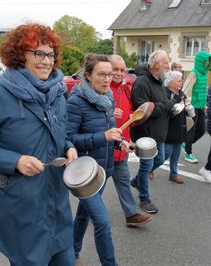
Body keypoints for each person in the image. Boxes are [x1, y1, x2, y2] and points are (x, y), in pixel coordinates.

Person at [0, 24, 77, 265]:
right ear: (20, 56)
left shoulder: (57, 96)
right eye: (38, 53)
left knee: (65, 258)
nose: (46, 61)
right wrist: (15, 161)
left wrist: (68, 146)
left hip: (57, 204)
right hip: (21, 208)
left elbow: (58, 134)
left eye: (50, 54)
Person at [67, 54, 126, 265]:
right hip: (84, 174)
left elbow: (109, 132)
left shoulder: (107, 98)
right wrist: (103, 137)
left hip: (103, 170)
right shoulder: (76, 101)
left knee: (83, 215)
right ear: (89, 75)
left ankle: (72, 252)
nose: (107, 79)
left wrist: (119, 142)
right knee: (102, 222)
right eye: (101, 74)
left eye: (110, 74)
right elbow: (69, 139)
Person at [130, 50, 175, 214]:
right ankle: (144, 199)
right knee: (146, 166)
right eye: (165, 62)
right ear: (155, 64)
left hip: (159, 132)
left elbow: (162, 103)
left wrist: (170, 106)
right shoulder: (142, 83)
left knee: (160, 159)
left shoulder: (159, 81)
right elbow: (141, 110)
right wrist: (167, 105)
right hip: (145, 134)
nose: (168, 66)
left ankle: (136, 181)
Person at [110, 55, 153, 227]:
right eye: (116, 69)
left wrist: (135, 117)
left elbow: (132, 115)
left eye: (122, 70)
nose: (119, 73)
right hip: (105, 146)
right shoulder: (103, 89)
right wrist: (109, 113)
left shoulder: (126, 89)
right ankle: (87, 212)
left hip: (122, 146)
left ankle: (131, 214)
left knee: (123, 181)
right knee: (95, 187)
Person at [182, 51, 211, 163]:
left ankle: (185, 144)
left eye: (209, 61)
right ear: (201, 61)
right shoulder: (193, 73)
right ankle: (188, 153)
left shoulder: (204, 74)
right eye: (206, 61)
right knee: (191, 130)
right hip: (192, 107)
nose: (208, 63)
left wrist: (204, 105)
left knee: (201, 130)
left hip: (201, 106)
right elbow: (185, 90)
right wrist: (188, 105)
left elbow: (203, 91)